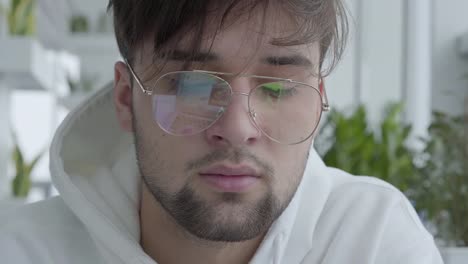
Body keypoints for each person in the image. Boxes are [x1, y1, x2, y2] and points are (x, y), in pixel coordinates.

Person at [0, 0, 443, 263]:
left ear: (319, 97)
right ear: (123, 97)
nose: (237, 129)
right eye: (191, 84)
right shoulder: (23, 250)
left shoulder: (372, 242)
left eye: (278, 87)